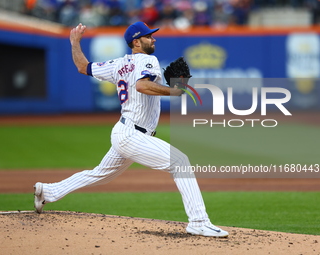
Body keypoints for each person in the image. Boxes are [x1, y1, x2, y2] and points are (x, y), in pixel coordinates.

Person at [34, 21, 229, 237]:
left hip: (125, 132)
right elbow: (142, 85)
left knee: (99, 174)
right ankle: (199, 221)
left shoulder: (118, 64)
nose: (153, 39)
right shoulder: (148, 59)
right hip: (132, 135)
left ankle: (48, 191)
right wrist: (174, 91)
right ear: (136, 42)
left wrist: (74, 43)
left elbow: (83, 67)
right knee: (180, 161)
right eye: (148, 36)